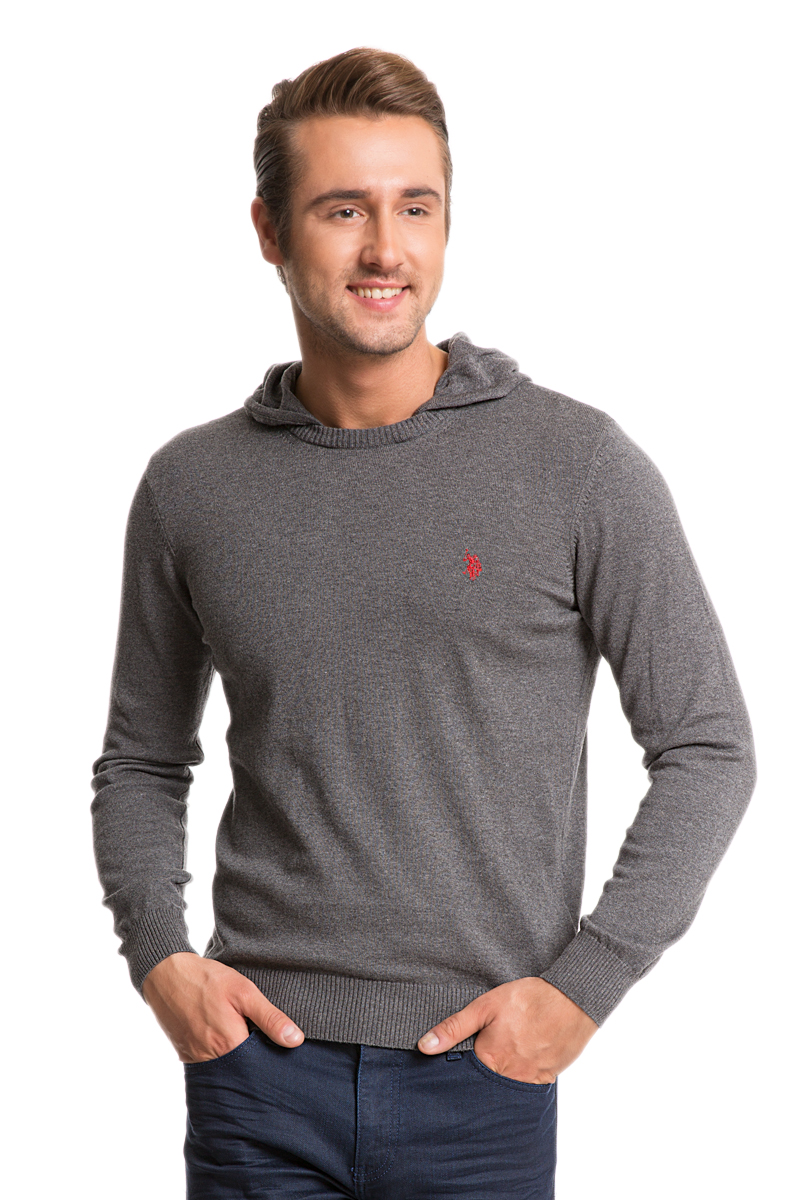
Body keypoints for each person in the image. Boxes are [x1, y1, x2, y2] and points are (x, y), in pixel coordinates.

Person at [91, 47, 756, 1199]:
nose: (384, 250)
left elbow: (707, 747)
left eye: (415, 207)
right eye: (342, 209)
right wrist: (160, 958)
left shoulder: (574, 464)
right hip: (257, 1074)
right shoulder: (192, 486)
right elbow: (142, 759)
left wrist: (581, 990)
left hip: (480, 1081)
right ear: (268, 229)